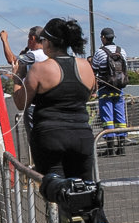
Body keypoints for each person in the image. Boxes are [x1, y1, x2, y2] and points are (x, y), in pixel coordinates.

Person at [14, 18, 97, 180]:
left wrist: (17, 78)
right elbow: (88, 94)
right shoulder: (85, 66)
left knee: (56, 191)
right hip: (82, 135)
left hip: (51, 136)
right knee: (83, 191)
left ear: (49, 42)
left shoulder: (40, 69)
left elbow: (20, 102)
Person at [1, 26, 48, 144]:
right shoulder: (47, 54)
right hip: (47, 101)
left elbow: (12, 60)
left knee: (35, 139)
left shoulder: (35, 55)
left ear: (32, 38)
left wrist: (4, 40)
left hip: (34, 104)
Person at [91, 27, 128, 156]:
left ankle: (110, 148)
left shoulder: (100, 52)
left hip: (105, 88)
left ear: (103, 38)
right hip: (119, 88)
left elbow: (94, 70)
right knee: (120, 117)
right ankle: (121, 146)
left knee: (108, 118)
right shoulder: (121, 51)